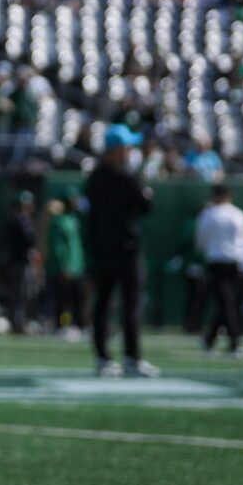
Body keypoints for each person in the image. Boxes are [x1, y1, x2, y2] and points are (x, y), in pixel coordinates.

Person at [86, 123, 156, 377]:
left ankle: (103, 357)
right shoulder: (126, 176)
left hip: (101, 248)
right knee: (130, 304)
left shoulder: (95, 176)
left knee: (103, 304)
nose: (130, 151)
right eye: (127, 147)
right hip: (126, 248)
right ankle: (131, 357)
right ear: (117, 149)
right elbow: (147, 204)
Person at [195, 184, 243, 357]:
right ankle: (222, 340)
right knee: (228, 302)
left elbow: (201, 240)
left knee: (226, 303)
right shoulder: (239, 214)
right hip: (235, 261)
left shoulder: (208, 214)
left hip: (216, 261)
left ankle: (231, 341)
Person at [42, 195, 88, 337]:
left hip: (76, 267)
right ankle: (62, 325)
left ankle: (78, 325)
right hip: (64, 268)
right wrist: (63, 266)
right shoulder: (59, 221)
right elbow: (57, 247)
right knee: (62, 299)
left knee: (77, 299)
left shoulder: (75, 220)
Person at [2, 191, 41, 335]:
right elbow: (30, 238)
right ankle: (17, 322)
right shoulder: (19, 220)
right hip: (19, 261)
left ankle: (20, 320)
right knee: (20, 292)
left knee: (23, 292)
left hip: (21, 260)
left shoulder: (21, 219)